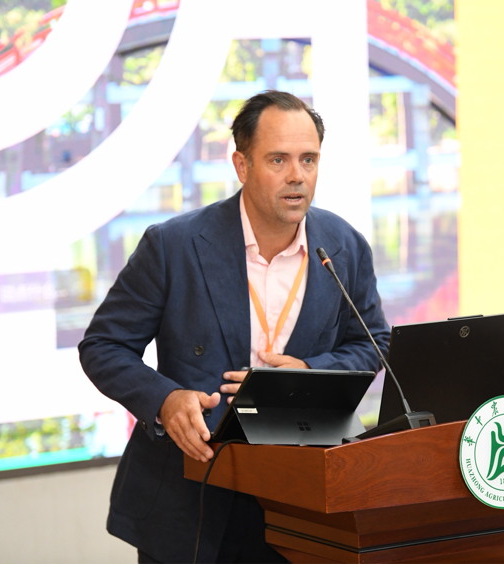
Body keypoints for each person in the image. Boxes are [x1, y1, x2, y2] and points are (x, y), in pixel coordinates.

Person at [79, 91, 389, 564]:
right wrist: (165, 400)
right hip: (193, 493)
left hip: (300, 498)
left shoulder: (344, 246)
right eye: (278, 160)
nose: (297, 175)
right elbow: (103, 345)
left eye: (308, 159)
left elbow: (372, 342)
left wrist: (310, 373)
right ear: (242, 166)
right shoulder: (173, 245)